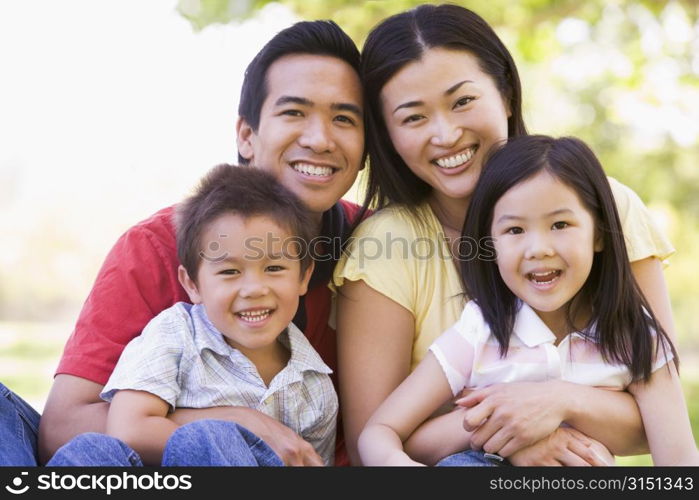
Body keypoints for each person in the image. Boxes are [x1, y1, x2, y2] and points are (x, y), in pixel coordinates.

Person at [0, 19, 364, 467]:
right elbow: (64, 428)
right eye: (294, 113)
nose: (319, 139)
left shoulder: (374, 244)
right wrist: (232, 421)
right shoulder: (154, 246)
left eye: (344, 118)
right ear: (246, 136)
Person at [334, 4, 677, 465]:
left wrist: (557, 401)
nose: (446, 133)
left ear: (507, 95)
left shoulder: (605, 207)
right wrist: (509, 426)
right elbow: (370, 444)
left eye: (462, 101)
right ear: (388, 135)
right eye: (413, 117)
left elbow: (657, 415)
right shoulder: (386, 246)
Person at [357, 135, 699, 466]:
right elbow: (381, 431)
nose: (538, 249)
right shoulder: (481, 331)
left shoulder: (637, 338)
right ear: (491, 246)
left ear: (598, 233)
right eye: (515, 231)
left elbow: (679, 459)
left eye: (560, 224)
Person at [47, 165, 338, 466]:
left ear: (304, 277)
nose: (254, 289)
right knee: (97, 451)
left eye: (274, 268)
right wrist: (228, 429)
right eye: (229, 271)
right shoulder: (175, 334)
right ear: (192, 285)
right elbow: (129, 429)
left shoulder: (314, 386)